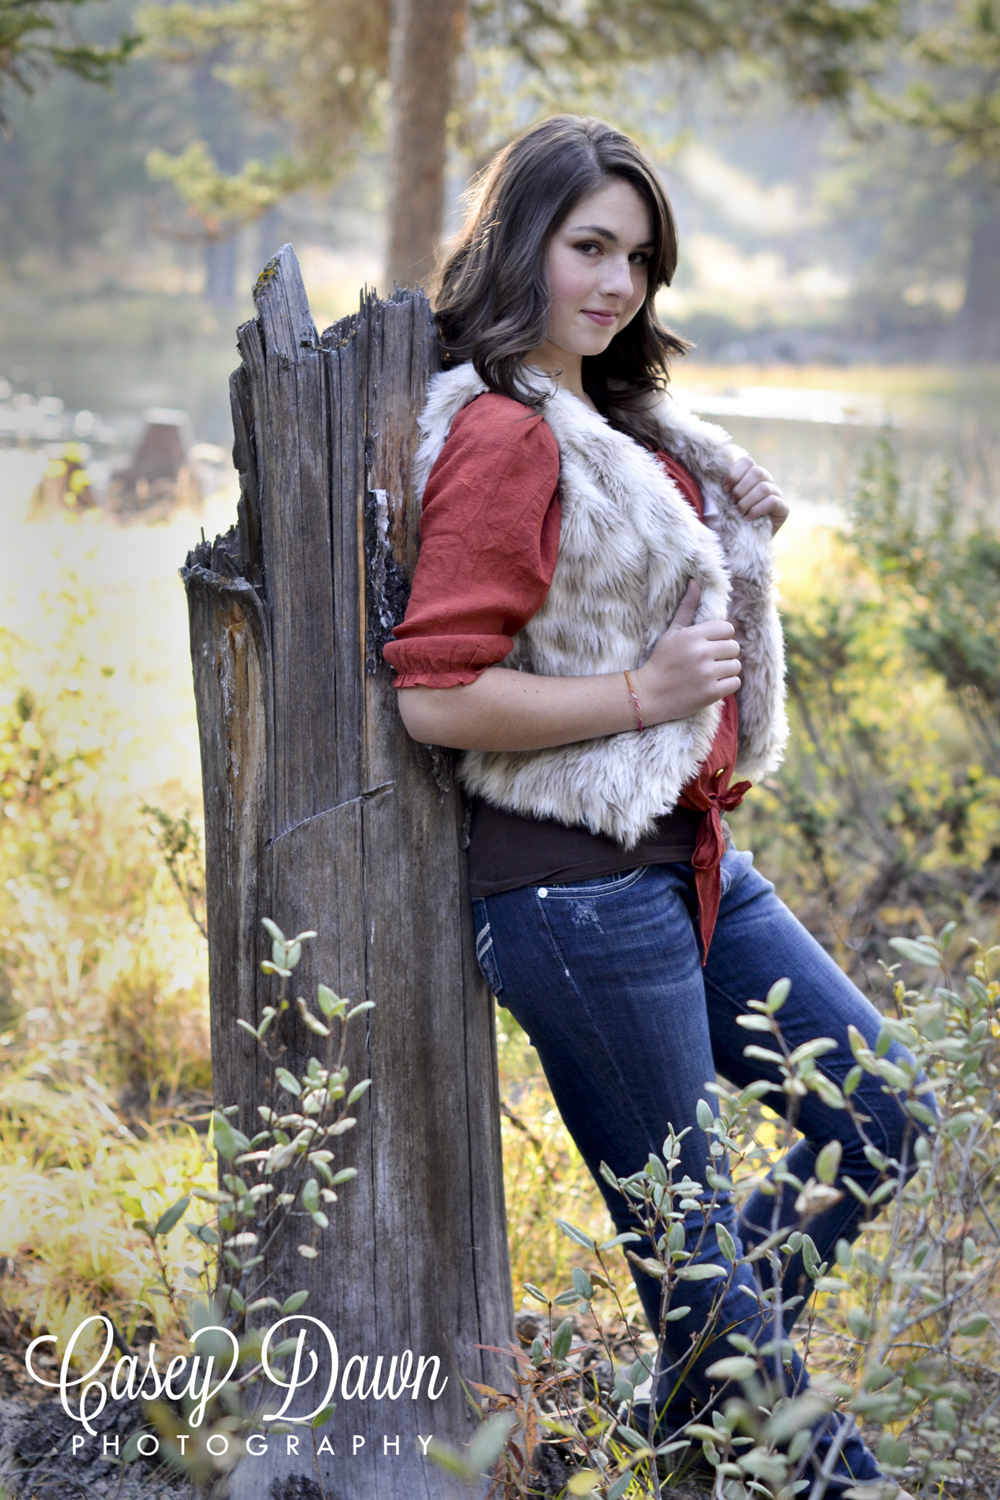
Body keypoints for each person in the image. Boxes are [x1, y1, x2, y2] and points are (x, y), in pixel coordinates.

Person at [383, 114, 919, 1496]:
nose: (617, 283)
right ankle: (808, 1454)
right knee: (698, 1255)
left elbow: (630, 571)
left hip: (689, 860)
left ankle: (689, 1396)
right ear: (521, 244)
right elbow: (437, 694)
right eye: (589, 247)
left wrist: (731, 522)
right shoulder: (505, 434)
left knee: (882, 1114)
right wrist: (644, 691)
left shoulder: (625, 422)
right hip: (573, 893)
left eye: (638, 258)